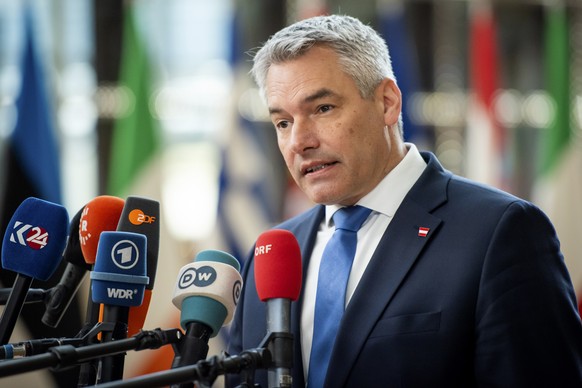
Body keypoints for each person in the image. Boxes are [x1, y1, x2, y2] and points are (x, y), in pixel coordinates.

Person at [227, 14, 582, 387]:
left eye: (323, 109)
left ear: (387, 103)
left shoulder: (501, 232)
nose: (299, 141)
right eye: (283, 122)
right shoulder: (271, 255)